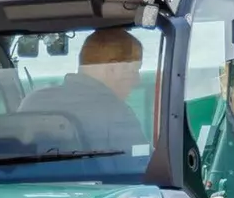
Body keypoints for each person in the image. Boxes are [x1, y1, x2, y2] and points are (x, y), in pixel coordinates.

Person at [17, 28, 146, 158]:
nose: (137, 81)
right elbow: (142, 166)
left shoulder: (32, 102)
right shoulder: (119, 115)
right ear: (114, 69)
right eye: (134, 70)